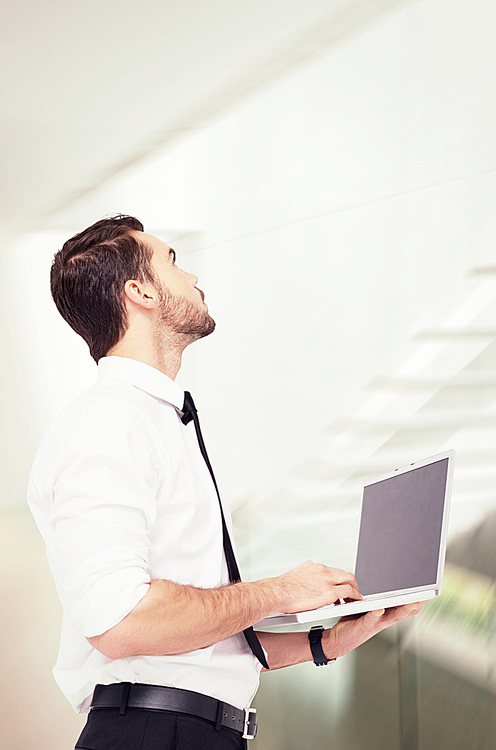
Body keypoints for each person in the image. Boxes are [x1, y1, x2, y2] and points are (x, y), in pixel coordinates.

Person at [27, 215, 423, 750]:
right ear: (139, 291)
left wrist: (328, 641)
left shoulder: (156, 420)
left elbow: (201, 647)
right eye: (173, 260)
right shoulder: (108, 423)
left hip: (188, 732)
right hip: (154, 734)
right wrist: (281, 591)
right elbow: (120, 621)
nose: (193, 277)